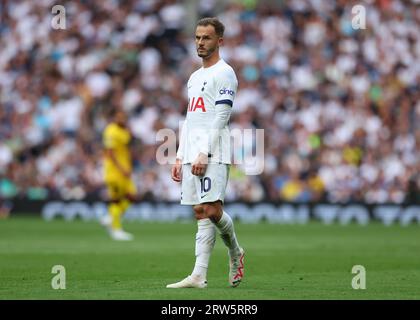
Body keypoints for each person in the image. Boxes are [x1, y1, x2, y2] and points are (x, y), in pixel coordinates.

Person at [166, 17, 245, 289]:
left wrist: (204, 153)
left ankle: (235, 252)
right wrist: (179, 154)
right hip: (191, 151)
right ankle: (199, 276)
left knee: (212, 209)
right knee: (200, 211)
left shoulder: (224, 73)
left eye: (206, 38)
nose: (200, 42)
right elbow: (191, 118)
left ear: (219, 41)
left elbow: (222, 116)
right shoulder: (194, 77)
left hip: (214, 151)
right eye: (197, 38)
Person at [101, 109, 136, 241]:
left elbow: (126, 149)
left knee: (132, 196)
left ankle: (110, 218)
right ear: (115, 117)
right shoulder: (111, 131)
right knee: (117, 199)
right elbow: (110, 153)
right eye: (119, 117)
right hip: (114, 172)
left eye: (124, 117)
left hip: (124, 171)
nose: (122, 119)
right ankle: (116, 230)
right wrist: (122, 169)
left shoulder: (125, 131)